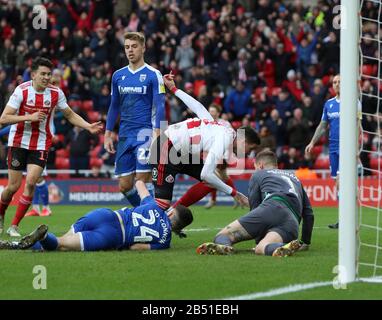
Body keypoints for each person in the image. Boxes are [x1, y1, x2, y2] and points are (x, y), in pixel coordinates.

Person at [0, 57, 103, 237]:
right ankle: (1, 215)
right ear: (33, 75)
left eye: (49, 74)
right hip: (18, 141)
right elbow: (4, 118)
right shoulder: (21, 91)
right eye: (43, 74)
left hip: (40, 142)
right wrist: (29, 117)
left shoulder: (56, 93)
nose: (47, 77)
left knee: (31, 181)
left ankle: (14, 226)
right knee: (12, 187)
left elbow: (70, 115)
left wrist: (88, 125)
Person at [149, 74, 260, 211]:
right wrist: (235, 194)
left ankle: (175, 214)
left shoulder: (221, 129)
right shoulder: (225, 137)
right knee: (162, 205)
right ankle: (132, 218)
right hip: (166, 147)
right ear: (244, 140)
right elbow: (205, 174)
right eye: (251, 147)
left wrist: (174, 89)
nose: (249, 152)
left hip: (180, 152)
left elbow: (198, 107)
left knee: (213, 181)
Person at [0, 181, 193, 252]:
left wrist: (150, 193)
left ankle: (18, 245)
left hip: (106, 215)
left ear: (170, 211)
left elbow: (140, 184)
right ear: (179, 227)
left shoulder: (155, 206)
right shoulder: (165, 240)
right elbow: (137, 247)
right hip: (114, 236)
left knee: (65, 239)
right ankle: (43, 238)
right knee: (62, 244)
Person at [196, 150, 314, 257]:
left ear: (260, 165)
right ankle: (278, 247)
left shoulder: (259, 174)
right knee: (262, 247)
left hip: (271, 208)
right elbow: (308, 214)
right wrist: (305, 242)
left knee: (223, 235)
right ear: (276, 165)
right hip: (291, 223)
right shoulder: (295, 179)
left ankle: (225, 246)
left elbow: (255, 208)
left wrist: (257, 238)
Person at [104, 32, 165, 207]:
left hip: (146, 134)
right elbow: (114, 106)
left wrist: (159, 134)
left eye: (134, 46)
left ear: (143, 48)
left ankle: (153, 219)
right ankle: (151, 213)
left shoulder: (154, 74)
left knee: (141, 182)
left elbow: (160, 106)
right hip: (124, 135)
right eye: (127, 47)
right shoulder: (118, 76)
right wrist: (108, 134)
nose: (130, 50)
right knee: (124, 186)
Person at [305, 74, 362, 229]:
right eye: (334, 82)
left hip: (347, 148)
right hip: (333, 149)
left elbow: (357, 126)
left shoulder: (354, 102)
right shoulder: (329, 104)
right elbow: (323, 126)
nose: (336, 84)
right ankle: (344, 219)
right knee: (338, 185)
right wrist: (312, 142)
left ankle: (347, 219)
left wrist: (355, 149)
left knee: (341, 182)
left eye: (340, 82)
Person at [171, 103, 241, 210]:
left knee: (215, 176)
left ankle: (217, 199)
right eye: (210, 111)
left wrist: (225, 156)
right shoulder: (206, 121)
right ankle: (229, 198)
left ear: (218, 113)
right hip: (207, 153)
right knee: (220, 177)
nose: (211, 113)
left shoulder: (224, 123)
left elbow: (229, 141)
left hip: (220, 154)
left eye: (213, 111)